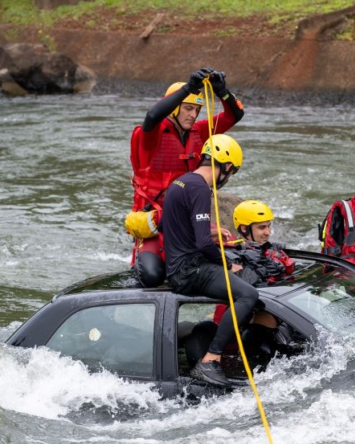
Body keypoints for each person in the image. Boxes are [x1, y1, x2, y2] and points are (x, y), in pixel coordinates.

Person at [126, 67, 245, 288]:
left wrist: (223, 92)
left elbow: (234, 114)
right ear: (173, 109)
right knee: (152, 276)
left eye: (197, 110)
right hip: (154, 221)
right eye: (188, 108)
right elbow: (152, 116)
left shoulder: (198, 132)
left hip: (185, 221)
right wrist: (188, 88)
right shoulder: (150, 136)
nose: (193, 115)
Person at [162, 133, 258, 388]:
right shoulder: (201, 189)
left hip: (176, 268)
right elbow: (204, 245)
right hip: (190, 271)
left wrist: (212, 230)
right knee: (248, 295)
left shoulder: (181, 183)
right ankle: (211, 359)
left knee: (237, 286)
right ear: (226, 166)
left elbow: (167, 225)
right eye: (232, 172)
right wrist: (227, 264)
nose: (228, 178)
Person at [225, 199, 296, 287]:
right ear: (244, 229)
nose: (268, 232)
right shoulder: (234, 258)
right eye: (262, 227)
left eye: (268, 226)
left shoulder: (273, 249)